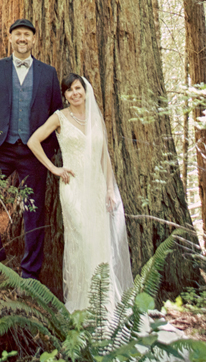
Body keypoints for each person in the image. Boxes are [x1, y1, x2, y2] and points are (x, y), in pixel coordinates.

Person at [27, 71, 133, 315]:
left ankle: (104, 302)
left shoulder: (96, 118)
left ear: (85, 91)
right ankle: (84, 303)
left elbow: (104, 156)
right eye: (69, 90)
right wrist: (54, 168)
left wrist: (109, 189)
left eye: (78, 88)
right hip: (73, 188)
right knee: (83, 241)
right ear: (64, 95)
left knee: (100, 243)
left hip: (97, 187)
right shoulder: (59, 118)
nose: (74, 93)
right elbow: (34, 141)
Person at [0, 19, 63, 278]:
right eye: (17, 35)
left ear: (34, 40)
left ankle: (29, 273)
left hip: (34, 153)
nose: (22, 39)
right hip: (1, 149)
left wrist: (48, 147)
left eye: (27, 35)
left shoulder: (48, 73)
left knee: (34, 211)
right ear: (10, 39)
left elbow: (57, 113)